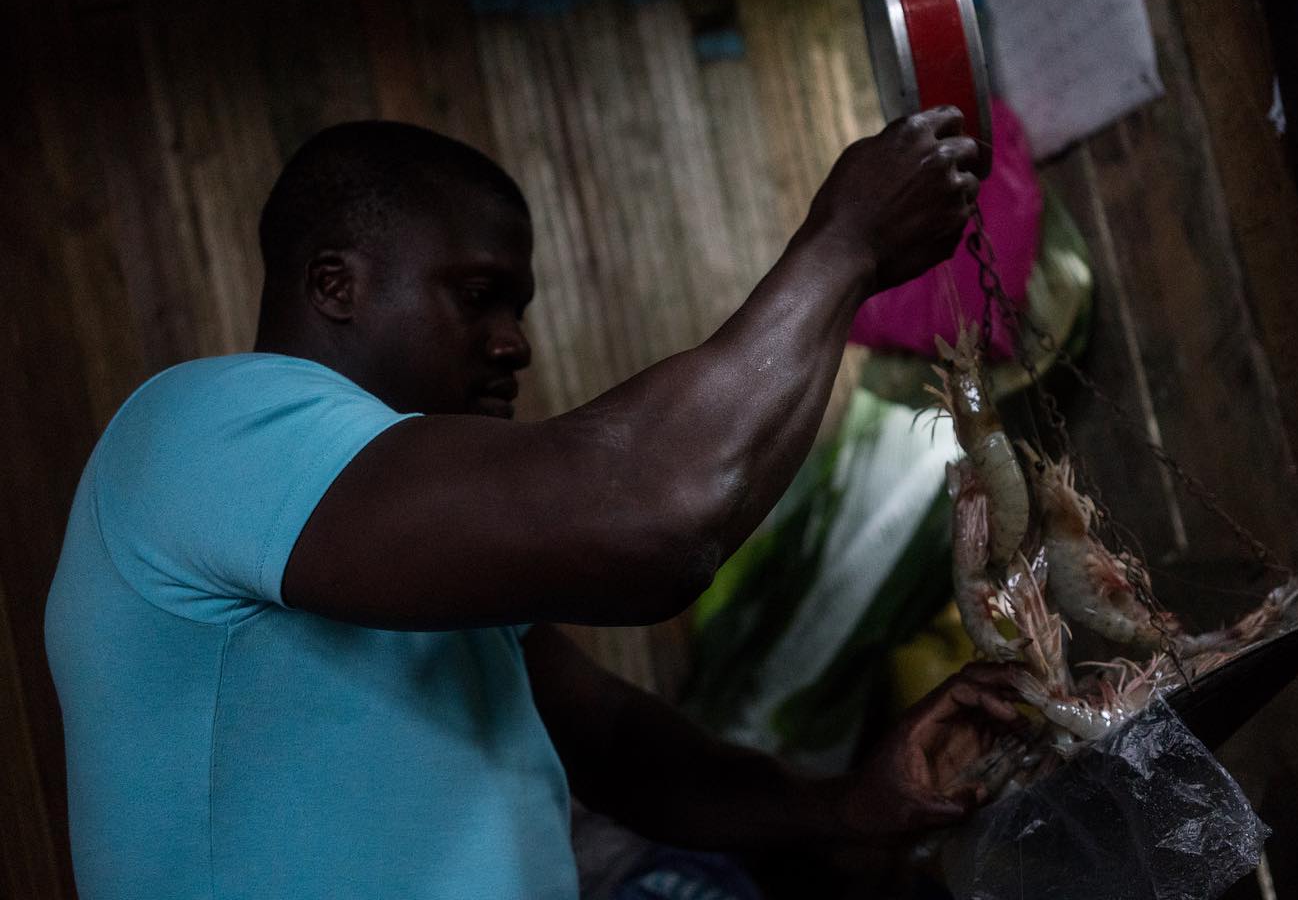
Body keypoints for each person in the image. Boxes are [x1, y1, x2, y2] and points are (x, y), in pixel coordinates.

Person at [46, 110, 1018, 899]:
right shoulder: (203, 431)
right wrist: (841, 243)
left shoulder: (400, 526)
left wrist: (845, 806)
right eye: (479, 297)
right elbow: (659, 514)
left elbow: (609, 741)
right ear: (335, 286)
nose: (516, 345)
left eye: (522, 309)